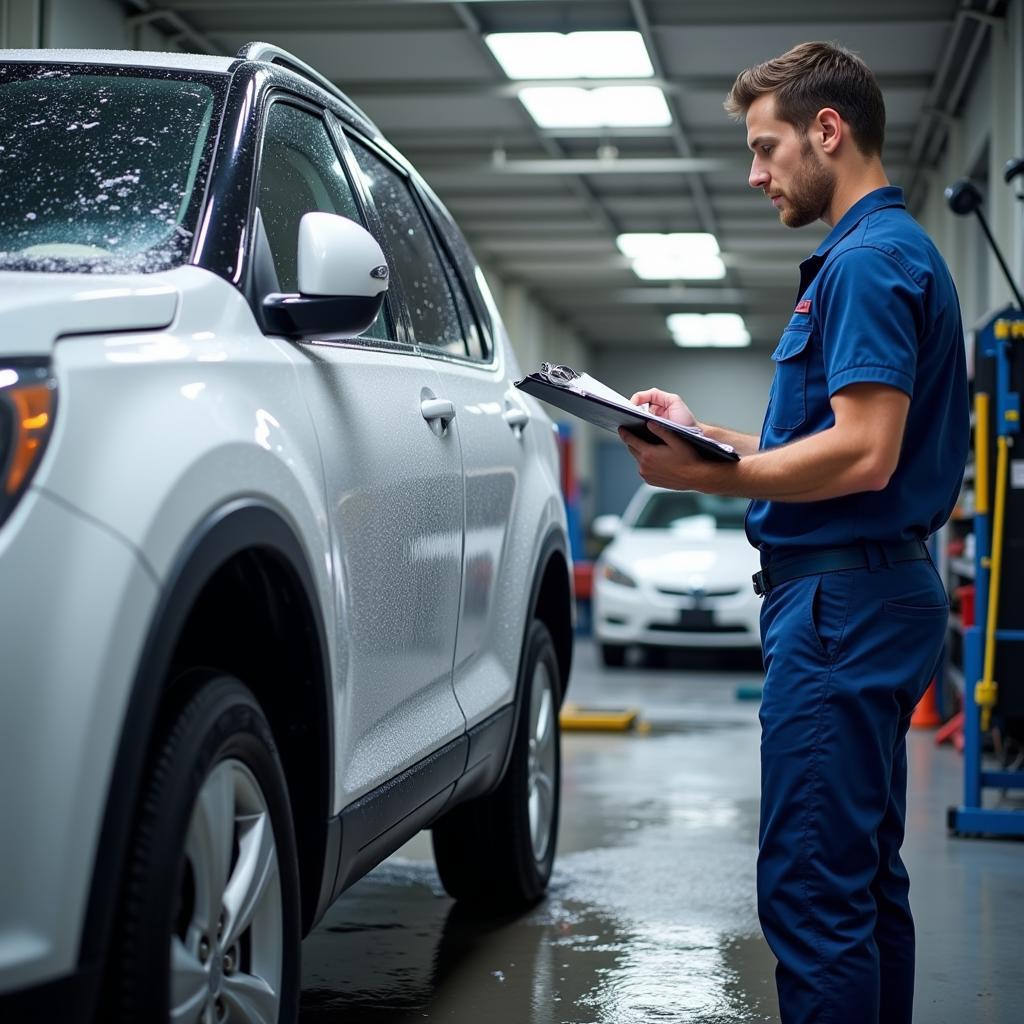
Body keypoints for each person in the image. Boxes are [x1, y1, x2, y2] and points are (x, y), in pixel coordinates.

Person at [618, 41, 969, 1024]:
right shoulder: (893, 253)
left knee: (813, 884)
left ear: (829, 129)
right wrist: (702, 435)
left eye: (767, 147)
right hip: (869, 588)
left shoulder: (863, 263)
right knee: (860, 875)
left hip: (840, 604)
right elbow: (820, 441)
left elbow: (860, 454)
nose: (754, 172)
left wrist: (703, 480)